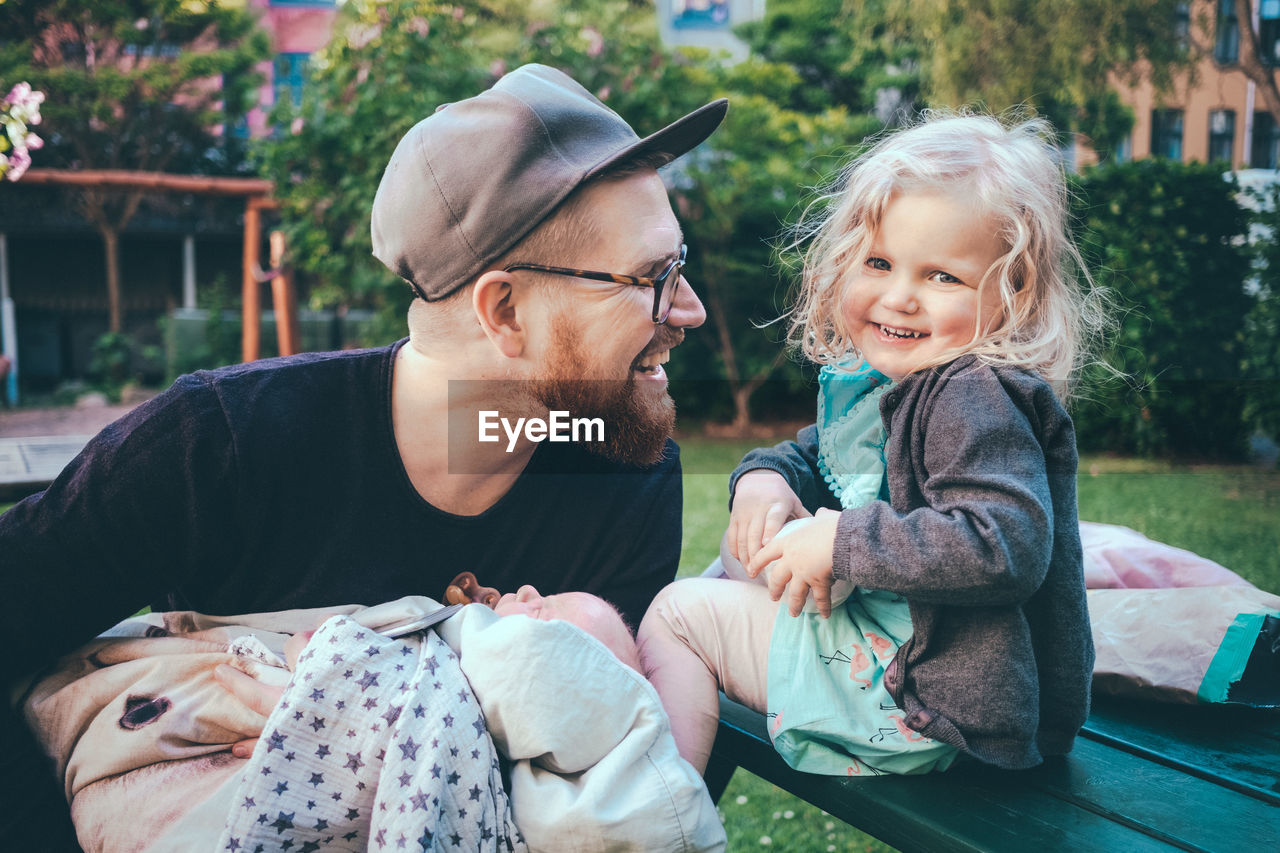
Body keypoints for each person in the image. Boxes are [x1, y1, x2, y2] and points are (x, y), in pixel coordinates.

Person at [1, 64, 727, 846]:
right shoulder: (220, 444)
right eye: (653, 276)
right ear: (505, 311)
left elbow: (612, 775)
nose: (690, 308)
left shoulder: (623, 475)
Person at [638, 112, 1106, 776]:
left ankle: (662, 809)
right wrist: (763, 481)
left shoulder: (973, 394)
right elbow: (812, 455)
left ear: (1010, 295)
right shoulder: (899, 384)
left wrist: (840, 544)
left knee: (678, 614)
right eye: (880, 262)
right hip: (919, 658)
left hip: (939, 705)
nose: (900, 296)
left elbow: (1004, 544)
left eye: (942, 276)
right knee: (744, 547)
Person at [20, 591, 726, 852]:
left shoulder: (534, 672)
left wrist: (355, 700)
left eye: (549, 610)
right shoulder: (434, 629)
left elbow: (528, 673)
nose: (530, 591)